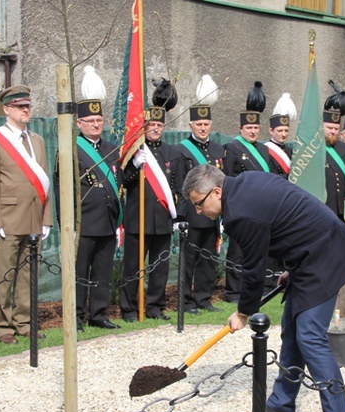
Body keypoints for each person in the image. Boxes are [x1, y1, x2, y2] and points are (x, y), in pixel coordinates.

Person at [183, 165, 345, 412]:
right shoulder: (244, 182)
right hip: (308, 257)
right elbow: (285, 220)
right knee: (292, 333)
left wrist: (243, 312)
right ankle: (282, 404)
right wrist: (291, 264)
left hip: (325, 256)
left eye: (199, 204)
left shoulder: (238, 213)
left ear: (216, 192)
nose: (198, 212)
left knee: (310, 338)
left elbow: (253, 269)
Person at [0, 85, 53, 344]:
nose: (25, 110)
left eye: (28, 106)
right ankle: (2, 326)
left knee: (28, 275)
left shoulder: (38, 141)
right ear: (6, 109)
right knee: (5, 276)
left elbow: (44, 183)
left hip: (33, 217)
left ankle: (25, 322)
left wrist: (46, 218)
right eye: (20, 107)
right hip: (7, 220)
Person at [55, 98, 121, 331]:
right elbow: (62, 189)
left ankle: (99, 314)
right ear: (79, 123)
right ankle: (76, 316)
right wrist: (67, 223)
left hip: (107, 221)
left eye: (99, 120)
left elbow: (117, 183)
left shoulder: (111, 149)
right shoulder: (70, 149)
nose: (96, 125)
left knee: (102, 271)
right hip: (83, 223)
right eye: (90, 121)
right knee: (80, 273)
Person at [121, 106, 179, 322]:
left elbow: (177, 187)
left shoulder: (172, 153)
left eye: (159, 125)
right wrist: (135, 165)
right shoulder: (135, 152)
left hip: (163, 218)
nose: (155, 128)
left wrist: (178, 216)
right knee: (133, 267)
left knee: (160, 268)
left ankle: (155, 306)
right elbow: (123, 183)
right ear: (143, 127)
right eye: (151, 125)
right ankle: (129, 309)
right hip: (138, 219)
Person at [223, 110, 285, 303]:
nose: (252, 131)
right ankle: (233, 291)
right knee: (237, 251)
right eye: (249, 128)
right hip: (242, 205)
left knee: (262, 248)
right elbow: (228, 178)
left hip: (262, 206)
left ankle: (262, 286)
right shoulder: (232, 148)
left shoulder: (264, 150)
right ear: (241, 128)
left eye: (255, 128)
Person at [175, 100, 224, 314]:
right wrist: (180, 216)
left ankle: (204, 298)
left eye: (206, 124)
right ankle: (185, 301)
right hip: (193, 214)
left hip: (213, 214)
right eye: (198, 124)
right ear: (191, 126)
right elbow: (178, 185)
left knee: (208, 259)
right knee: (189, 259)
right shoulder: (181, 150)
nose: (203, 128)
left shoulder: (218, 149)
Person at [322, 109, 345, 223]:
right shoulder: (314, 148)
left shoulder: (344, 148)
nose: (333, 132)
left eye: (336, 129)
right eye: (329, 128)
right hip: (322, 203)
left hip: (340, 205)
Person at [266, 113, 292, 178]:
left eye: (286, 131)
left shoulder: (290, 150)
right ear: (271, 131)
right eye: (280, 131)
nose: (284, 134)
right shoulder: (265, 150)